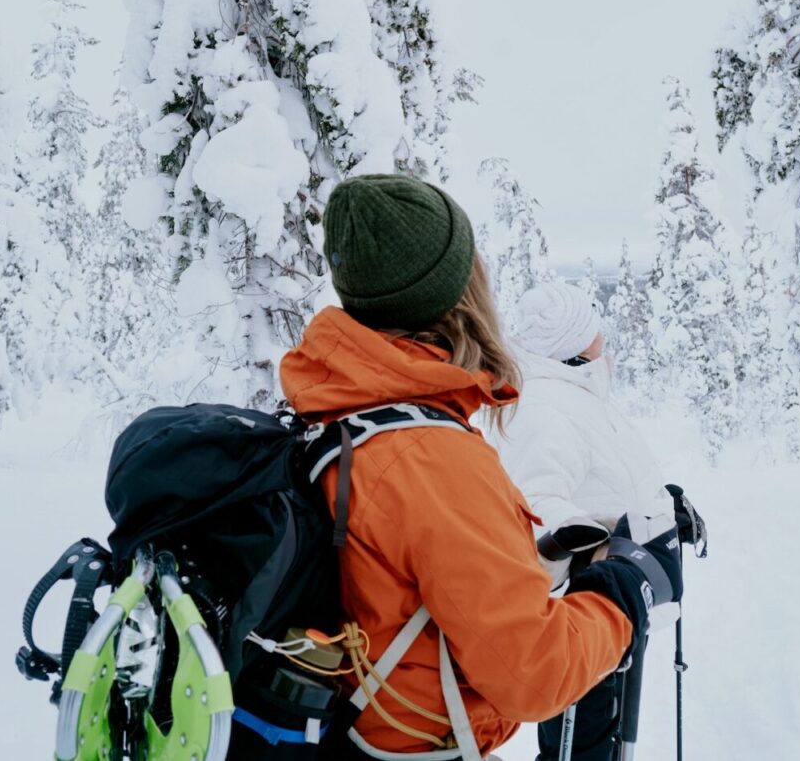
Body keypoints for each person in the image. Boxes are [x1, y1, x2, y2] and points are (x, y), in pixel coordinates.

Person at [279, 175, 682, 760]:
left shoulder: (338, 412)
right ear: (457, 295)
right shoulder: (430, 459)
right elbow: (534, 673)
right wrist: (627, 590)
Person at [495, 278, 683, 761]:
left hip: (619, 598)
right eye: (594, 328)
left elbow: (607, 477)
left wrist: (662, 508)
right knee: (583, 747)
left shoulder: (574, 394)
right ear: (575, 339)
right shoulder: (543, 407)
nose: (604, 337)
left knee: (607, 737)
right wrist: (585, 537)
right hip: (588, 608)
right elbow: (533, 505)